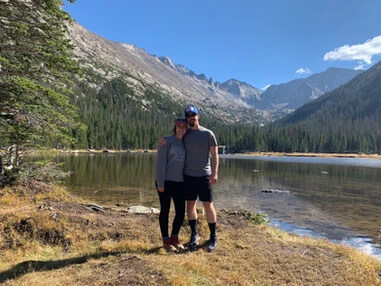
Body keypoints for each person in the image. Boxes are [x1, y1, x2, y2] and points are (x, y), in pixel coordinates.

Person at [160, 105, 219, 252]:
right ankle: (194, 234)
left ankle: (213, 236)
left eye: (193, 116)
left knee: (208, 205)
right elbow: (174, 138)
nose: (190, 118)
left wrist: (215, 173)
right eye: (188, 116)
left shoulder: (208, 134)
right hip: (188, 176)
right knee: (190, 205)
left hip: (204, 175)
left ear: (198, 116)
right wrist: (163, 140)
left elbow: (215, 155)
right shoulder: (185, 134)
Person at [155, 118, 187, 251]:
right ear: (175, 127)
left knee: (180, 211)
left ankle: (174, 238)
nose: (181, 129)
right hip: (166, 182)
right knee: (165, 210)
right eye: (178, 126)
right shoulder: (167, 141)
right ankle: (165, 240)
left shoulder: (186, 143)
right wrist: (160, 183)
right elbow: (160, 163)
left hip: (180, 182)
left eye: (183, 127)